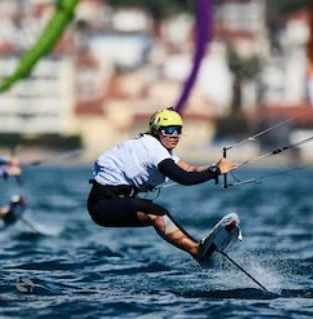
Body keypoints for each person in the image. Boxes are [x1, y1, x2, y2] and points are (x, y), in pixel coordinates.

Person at [87, 108, 237, 265]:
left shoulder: (163, 150)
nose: (174, 135)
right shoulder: (153, 150)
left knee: (157, 213)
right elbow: (184, 178)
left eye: (178, 130)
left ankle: (200, 252)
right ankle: (197, 250)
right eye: (169, 130)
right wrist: (217, 171)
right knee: (156, 212)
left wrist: (215, 167)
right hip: (102, 205)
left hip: (116, 203)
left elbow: (188, 169)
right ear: (157, 131)